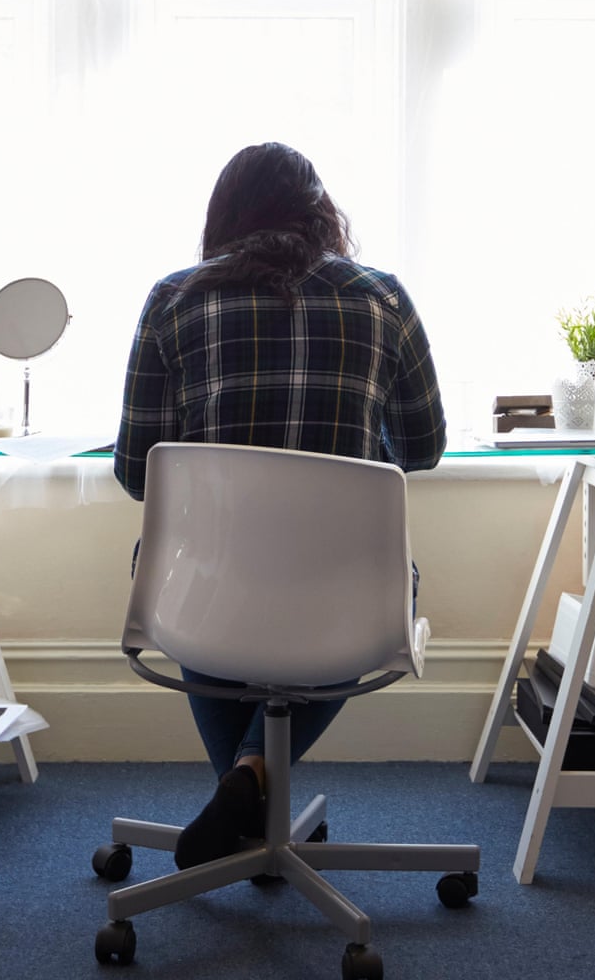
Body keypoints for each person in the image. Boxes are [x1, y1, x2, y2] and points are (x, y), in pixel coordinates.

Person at [113, 141, 446, 869]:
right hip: (346, 598)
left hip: (201, 595)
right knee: (376, 593)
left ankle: (243, 787)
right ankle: (254, 777)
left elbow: (139, 473)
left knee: (181, 568)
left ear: (222, 218)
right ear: (323, 214)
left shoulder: (174, 299)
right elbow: (423, 448)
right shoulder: (384, 297)